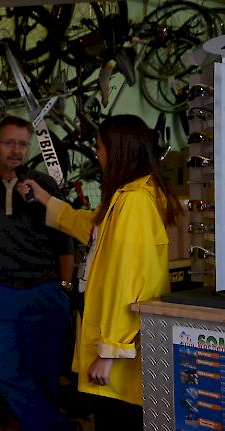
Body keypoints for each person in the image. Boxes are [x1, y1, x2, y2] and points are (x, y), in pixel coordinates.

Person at [18, 114, 183, 431]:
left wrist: (110, 352)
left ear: (118, 150)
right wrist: (45, 199)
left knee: (120, 421)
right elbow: (90, 227)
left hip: (120, 351)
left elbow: (128, 281)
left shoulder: (134, 202)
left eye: (99, 146)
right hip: (118, 347)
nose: (97, 153)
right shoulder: (126, 197)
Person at [0, 115, 75, 431]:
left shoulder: (43, 185)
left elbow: (66, 240)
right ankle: (59, 427)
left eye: (22, 144)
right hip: (2, 291)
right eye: (9, 143)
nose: (16, 150)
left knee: (45, 376)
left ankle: (48, 425)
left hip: (44, 290)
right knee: (3, 371)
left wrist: (64, 288)